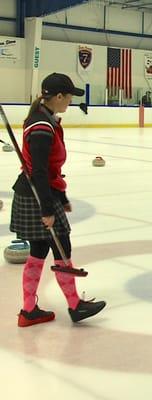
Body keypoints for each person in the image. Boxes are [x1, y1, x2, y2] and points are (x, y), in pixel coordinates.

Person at [11, 73, 106, 327]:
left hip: (38, 192)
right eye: (69, 96)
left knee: (40, 249)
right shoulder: (42, 126)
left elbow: (49, 169)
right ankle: (75, 305)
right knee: (61, 245)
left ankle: (29, 310)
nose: (71, 101)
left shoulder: (45, 119)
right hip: (37, 195)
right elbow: (40, 171)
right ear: (59, 96)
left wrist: (61, 196)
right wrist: (47, 208)